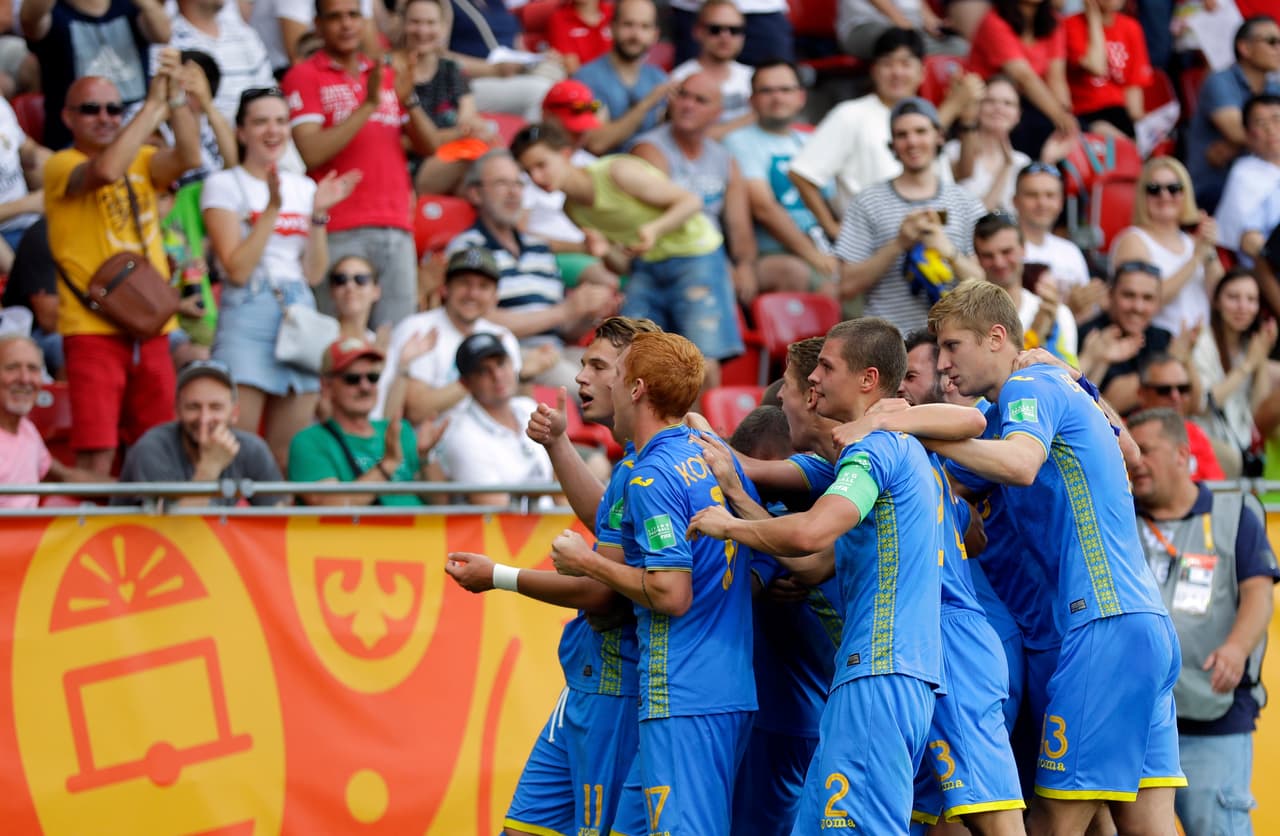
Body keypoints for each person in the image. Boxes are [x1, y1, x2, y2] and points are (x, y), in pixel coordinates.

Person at [928, 279, 1185, 834]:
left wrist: (911, 427)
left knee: (1052, 823)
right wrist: (1084, 379)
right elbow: (1128, 449)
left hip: (1103, 624)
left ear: (997, 337)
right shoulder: (1026, 403)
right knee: (1147, 824)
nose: (942, 364)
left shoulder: (1028, 386)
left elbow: (1020, 465)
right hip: (1144, 624)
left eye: (952, 346)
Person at [685, 318, 944, 834]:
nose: (811, 381)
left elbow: (811, 535)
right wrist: (734, 489)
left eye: (826, 367)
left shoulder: (875, 449)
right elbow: (817, 560)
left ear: (868, 380)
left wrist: (729, 524)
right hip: (880, 671)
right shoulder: (881, 449)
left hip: (881, 669)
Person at [445, 315, 657, 836]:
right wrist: (559, 445)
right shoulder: (632, 462)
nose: (581, 377)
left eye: (597, 366)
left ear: (634, 380)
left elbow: (601, 594)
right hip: (582, 688)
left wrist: (497, 576)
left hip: (615, 689)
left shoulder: (650, 465)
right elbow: (605, 520)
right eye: (582, 362)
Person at [548, 330, 756, 836]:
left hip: (682, 692)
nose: (603, 385)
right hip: (724, 686)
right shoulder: (710, 453)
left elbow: (671, 593)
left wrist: (588, 561)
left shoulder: (651, 477)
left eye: (614, 376)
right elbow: (761, 563)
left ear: (637, 388)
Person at [47, 62, 203, 477]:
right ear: (67, 117)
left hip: (150, 326)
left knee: (162, 450)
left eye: (114, 109)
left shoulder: (145, 159)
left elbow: (190, 156)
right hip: (91, 329)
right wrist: (150, 107)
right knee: (97, 453)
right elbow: (106, 170)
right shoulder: (59, 165)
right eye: (91, 109)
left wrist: (175, 102)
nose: (105, 118)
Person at [1128, 408, 1278, 836]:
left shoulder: (1234, 513)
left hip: (1211, 718)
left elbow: (1258, 594)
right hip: (1134, 724)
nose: (1135, 462)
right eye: (1130, 452)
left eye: (1146, 451)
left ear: (1181, 455)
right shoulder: (1119, 518)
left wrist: (1235, 647)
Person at [512, 122, 743, 388]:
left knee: (703, 356)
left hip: (695, 253)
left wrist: (655, 229)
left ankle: (704, 430)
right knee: (630, 353)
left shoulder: (615, 171)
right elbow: (620, 266)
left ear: (565, 154)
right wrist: (603, 252)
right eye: (529, 172)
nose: (538, 177)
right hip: (647, 266)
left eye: (542, 164)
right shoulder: (572, 209)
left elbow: (691, 202)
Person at [202, 86, 360, 471]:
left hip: (298, 309)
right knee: (236, 441)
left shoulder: (303, 187)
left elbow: (314, 273)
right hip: (249, 307)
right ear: (241, 131)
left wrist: (319, 215)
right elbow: (237, 269)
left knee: (288, 451)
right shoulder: (224, 184)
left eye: (280, 121)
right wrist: (272, 209)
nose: (272, 131)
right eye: (260, 122)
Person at [282, 0, 439, 328]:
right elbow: (310, 151)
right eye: (335, 17)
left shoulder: (382, 73)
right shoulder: (304, 75)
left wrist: (407, 96)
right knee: (337, 345)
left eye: (353, 15)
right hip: (339, 226)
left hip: (396, 224)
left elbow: (430, 146)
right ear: (317, 24)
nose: (346, 24)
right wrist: (367, 105)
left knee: (394, 343)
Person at [788, 28, 979, 242]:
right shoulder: (850, 114)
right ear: (874, 70)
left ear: (922, 71)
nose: (897, 72)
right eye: (888, 64)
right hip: (876, 246)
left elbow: (960, 174)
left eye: (906, 64)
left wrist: (967, 120)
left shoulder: (926, 114)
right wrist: (832, 228)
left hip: (938, 242)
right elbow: (802, 174)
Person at [447, 149, 615, 392]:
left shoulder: (539, 248)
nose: (514, 192)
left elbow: (565, 329)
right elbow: (477, 319)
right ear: (475, 193)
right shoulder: (468, 247)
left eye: (518, 183)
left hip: (558, 351)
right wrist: (564, 311)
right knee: (597, 388)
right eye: (502, 184)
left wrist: (587, 312)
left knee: (623, 375)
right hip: (507, 354)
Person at [836, 97, 985, 334]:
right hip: (889, 342)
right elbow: (845, 286)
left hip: (954, 339)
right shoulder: (868, 201)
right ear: (892, 144)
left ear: (939, 136)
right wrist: (898, 244)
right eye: (902, 135)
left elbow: (987, 285)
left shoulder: (966, 202)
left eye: (920, 131)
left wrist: (949, 251)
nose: (912, 141)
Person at [632, 72, 759, 303]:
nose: (688, 105)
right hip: (667, 255)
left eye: (701, 100)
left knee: (785, 273)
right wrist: (717, 265)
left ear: (717, 114)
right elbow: (661, 218)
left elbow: (739, 225)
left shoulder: (724, 159)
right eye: (683, 96)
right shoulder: (649, 149)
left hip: (711, 258)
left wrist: (744, 265)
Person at [722, 61, 838, 295]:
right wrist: (813, 255)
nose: (777, 98)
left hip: (822, 247)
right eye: (767, 91)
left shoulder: (811, 139)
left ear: (801, 97)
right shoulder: (738, 141)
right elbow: (763, 207)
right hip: (771, 251)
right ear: (751, 100)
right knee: (827, 287)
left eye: (785, 90)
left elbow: (833, 200)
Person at [287, 336, 444, 506]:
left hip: (421, 531)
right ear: (327, 386)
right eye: (352, 379)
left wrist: (424, 457)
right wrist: (388, 464)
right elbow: (331, 506)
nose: (365, 386)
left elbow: (441, 502)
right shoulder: (309, 442)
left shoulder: (399, 430)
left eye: (373, 377)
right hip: (366, 532)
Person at [377, 248, 520, 424]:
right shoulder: (418, 329)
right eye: (464, 283)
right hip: (433, 444)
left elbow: (512, 405)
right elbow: (415, 411)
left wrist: (526, 375)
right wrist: (476, 375)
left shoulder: (503, 336)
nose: (472, 293)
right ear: (445, 288)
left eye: (483, 286)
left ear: (495, 296)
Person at [113, 360, 283, 506]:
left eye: (215, 407)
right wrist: (209, 468)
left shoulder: (252, 449)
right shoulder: (152, 448)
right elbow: (174, 535)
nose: (204, 418)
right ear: (177, 410)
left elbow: (279, 520)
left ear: (235, 413)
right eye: (193, 407)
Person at [22, 0, 170, 149]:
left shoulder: (130, 8)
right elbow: (29, 20)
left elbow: (163, 35)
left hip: (140, 135)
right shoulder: (53, 12)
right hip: (78, 147)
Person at [433, 332, 557, 506]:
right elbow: (497, 514)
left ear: (512, 364)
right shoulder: (461, 436)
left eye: (501, 364)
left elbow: (560, 482)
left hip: (557, 526)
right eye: (483, 371)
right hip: (512, 531)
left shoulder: (527, 406)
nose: (497, 376)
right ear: (465, 383)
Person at [1110, 156, 1225, 339]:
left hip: (1201, 345)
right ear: (1142, 196)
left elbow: (1222, 299)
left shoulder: (1192, 243)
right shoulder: (1133, 240)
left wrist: (1209, 251)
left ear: (1185, 194)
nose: (1165, 196)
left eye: (1174, 188)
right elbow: (1144, 301)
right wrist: (1195, 259)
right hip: (1156, 346)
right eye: (1154, 189)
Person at [394, 0, 496, 196]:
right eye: (415, 22)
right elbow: (394, 140)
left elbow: (468, 119)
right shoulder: (388, 69)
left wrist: (471, 127)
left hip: (450, 156)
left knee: (490, 153)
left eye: (430, 23)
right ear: (403, 24)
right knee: (483, 161)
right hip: (406, 165)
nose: (423, 30)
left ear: (442, 27)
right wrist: (457, 134)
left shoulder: (451, 69)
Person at [1186, 15, 1280, 215]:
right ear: (1245, 48)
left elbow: (1255, 138)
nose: (1278, 48)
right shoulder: (1219, 81)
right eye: (1272, 42)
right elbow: (1240, 134)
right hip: (1215, 187)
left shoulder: (1274, 87)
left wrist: (1230, 148)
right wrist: (1260, 139)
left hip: (1263, 182)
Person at [1190, 268, 1277, 479]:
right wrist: (1247, 365)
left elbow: (1256, 410)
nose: (1243, 307)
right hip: (1207, 447)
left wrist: (1262, 359)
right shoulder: (1202, 341)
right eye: (1233, 297)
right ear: (1217, 302)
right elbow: (1205, 403)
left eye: (1251, 299)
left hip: (1242, 450)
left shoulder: (1252, 345)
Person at [966, 0, 1076, 157]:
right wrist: (1058, 116)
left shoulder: (1053, 21)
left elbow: (1056, 77)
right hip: (990, 102)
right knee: (1039, 128)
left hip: (1032, 102)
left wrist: (1066, 115)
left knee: (1075, 131)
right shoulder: (994, 21)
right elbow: (1023, 77)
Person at [0, 335, 96, 507]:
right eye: (12, 367)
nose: (25, 379)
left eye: (33, 369)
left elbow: (65, 476)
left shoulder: (27, 430)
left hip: (30, 533)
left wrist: (135, 488)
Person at [1078, 261, 1185, 415]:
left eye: (1147, 298)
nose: (1138, 307)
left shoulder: (1162, 337)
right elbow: (1109, 403)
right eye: (1128, 295)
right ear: (1110, 295)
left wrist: (1185, 362)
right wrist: (1170, 364)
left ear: (1158, 303)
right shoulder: (1089, 334)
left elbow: (1193, 405)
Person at [972, 211, 1079, 364]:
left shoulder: (1058, 315)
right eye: (988, 255)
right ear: (977, 258)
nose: (999, 262)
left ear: (1023, 248)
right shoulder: (967, 318)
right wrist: (1035, 333)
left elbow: (1069, 381)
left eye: (1006, 252)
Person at [572, 0, 672, 155]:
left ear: (655, 35)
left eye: (644, 27)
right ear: (611, 27)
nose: (635, 35)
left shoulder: (659, 78)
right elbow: (596, 142)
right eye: (628, 25)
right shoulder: (585, 79)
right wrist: (646, 104)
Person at [1013, 161, 1101, 319]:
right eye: (1032, 195)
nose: (1042, 203)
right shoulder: (1004, 250)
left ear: (1061, 203)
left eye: (1050, 195)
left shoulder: (1070, 251)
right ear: (1015, 201)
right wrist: (1069, 309)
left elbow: (1086, 314)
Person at [167, 0, 277, 125]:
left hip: (254, 135)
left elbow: (270, 94)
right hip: (204, 139)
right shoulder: (167, 41)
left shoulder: (245, 34)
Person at [1215, 94, 1280, 293]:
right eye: (1261, 123)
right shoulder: (1244, 174)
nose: (1270, 128)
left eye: (1277, 119)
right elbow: (1248, 242)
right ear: (1248, 135)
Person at [1063, 0, 1151, 138]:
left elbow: (1134, 86)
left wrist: (1144, 127)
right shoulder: (1070, 25)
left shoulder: (1131, 27)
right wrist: (1094, 21)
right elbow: (1097, 67)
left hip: (1120, 112)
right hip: (1086, 113)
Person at [945, 75, 1032, 215]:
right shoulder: (953, 151)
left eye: (1008, 103)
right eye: (989, 101)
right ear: (976, 107)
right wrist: (1006, 167)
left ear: (1018, 115)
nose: (998, 108)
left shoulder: (1023, 162)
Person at [668, 0, 754, 136]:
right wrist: (752, 118)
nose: (725, 37)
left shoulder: (753, 77)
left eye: (734, 30)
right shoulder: (678, 79)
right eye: (715, 29)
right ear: (697, 32)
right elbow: (686, 137)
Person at [330, 254, 382, 343]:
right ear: (331, 291)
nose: (350, 286)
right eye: (341, 280)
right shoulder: (319, 337)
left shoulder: (381, 346)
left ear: (376, 291)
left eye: (360, 279)